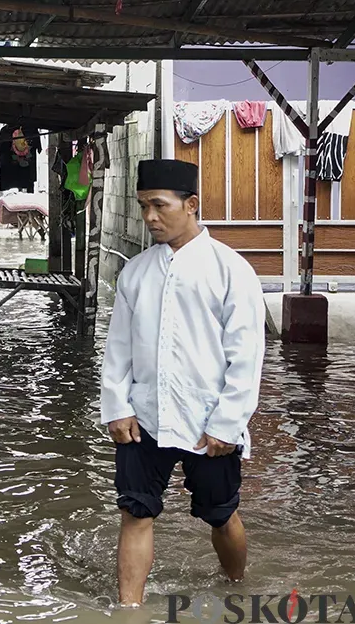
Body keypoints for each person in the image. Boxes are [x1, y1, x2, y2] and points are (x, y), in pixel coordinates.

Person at [100, 159, 266, 607]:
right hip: (145, 416)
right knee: (135, 511)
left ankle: (236, 591)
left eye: (159, 205)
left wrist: (228, 423)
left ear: (191, 205)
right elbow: (118, 349)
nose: (149, 216)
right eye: (142, 206)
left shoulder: (230, 270)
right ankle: (128, 610)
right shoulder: (135, 272)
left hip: (207, 421)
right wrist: (117, 407)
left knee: (221, 514)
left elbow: (247, 356)